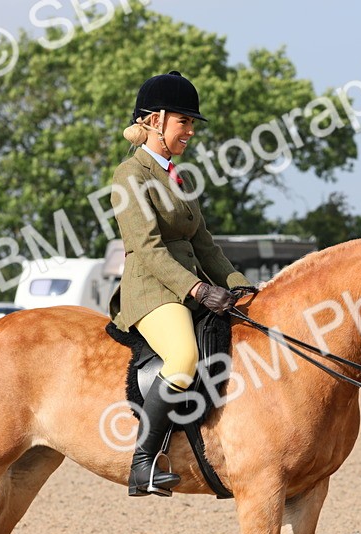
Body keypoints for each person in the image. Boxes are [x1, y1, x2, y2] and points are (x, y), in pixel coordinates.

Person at [108, 70, 252, 497]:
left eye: (191, 124)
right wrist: (197, 290)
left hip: (188, 287)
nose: (190, 131)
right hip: (152, 291)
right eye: (183, 122)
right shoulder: (129, 175)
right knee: (184, 357)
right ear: (155, 121)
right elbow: (148, 249)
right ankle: (143, 462)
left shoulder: (178, 177)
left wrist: (242, 288)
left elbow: (207, 247)